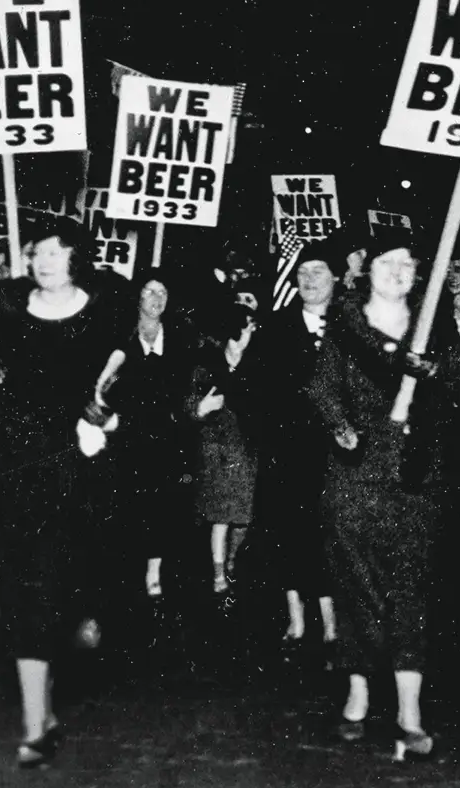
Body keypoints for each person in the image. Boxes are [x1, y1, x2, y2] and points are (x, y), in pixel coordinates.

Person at [310, 232, 460, 760]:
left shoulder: (433, 328)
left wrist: (431, 370)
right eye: (388, 262)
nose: (397, 271)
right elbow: (321, 387)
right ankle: (359, 691)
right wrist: (340, 425)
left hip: (416, 476)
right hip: (356, 471)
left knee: (411, 585)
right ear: (370, 270)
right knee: (356, 581)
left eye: (407, 264)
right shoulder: (346, 326)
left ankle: (410, 709)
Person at [0, 216, 126, 768]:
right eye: (37, 253)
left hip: (75, 472)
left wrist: (105, 416)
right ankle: (36, 724)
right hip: (18, 467)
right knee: (25, 591)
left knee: (62, 595)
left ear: (76, 257)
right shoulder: (3, 312)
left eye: (56, 253)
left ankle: (52, 692)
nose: (43, 261)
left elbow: (118, 385)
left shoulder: (103, 315)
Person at [249, 240, 341, 650]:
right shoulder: (276, 329)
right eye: (302, 273)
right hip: (288, 454)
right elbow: (248, 389)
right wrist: (270, 432)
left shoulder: (351, 326)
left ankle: (334, 623)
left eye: (317, 272)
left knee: (332, 538)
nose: (308, 280)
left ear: (336, 278)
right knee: (288, 535)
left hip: (338, 457)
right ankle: (296, 620)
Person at [103, 268, 197, 604]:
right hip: (123, 440)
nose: (155, 299)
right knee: (122, 506)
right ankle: (118, 576)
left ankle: (153, 576)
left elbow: (183, 393)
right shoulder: (120, 338)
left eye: (162, 293)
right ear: (138, 297)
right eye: (149, 291)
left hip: (164, 442)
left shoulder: (180, 341)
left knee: (159, 509)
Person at [189, 303, 260, 595]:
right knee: (220, 517)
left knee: (242, 518)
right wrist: (200, 408)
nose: (251, 331)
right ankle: (219, 573)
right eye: (247, 326)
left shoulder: (257, 366)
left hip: (246, 450)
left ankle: (232, 562)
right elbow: (190, 405)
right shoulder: (208, 364)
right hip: (216, 450)